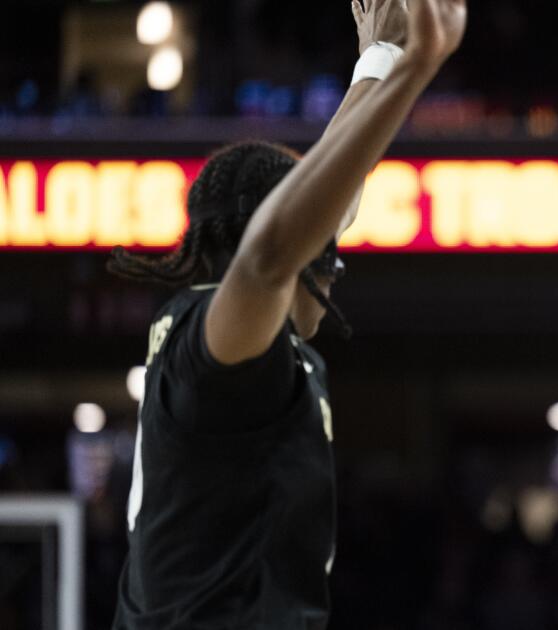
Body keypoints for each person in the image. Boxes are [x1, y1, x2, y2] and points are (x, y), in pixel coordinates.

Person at [107, 0, 466, 627]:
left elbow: (324, 208)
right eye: (325, 255)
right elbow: (273, 253)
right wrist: (415, 72)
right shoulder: (218, 346)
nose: (333, 266)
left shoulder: (218, 331)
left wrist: (378, 62)